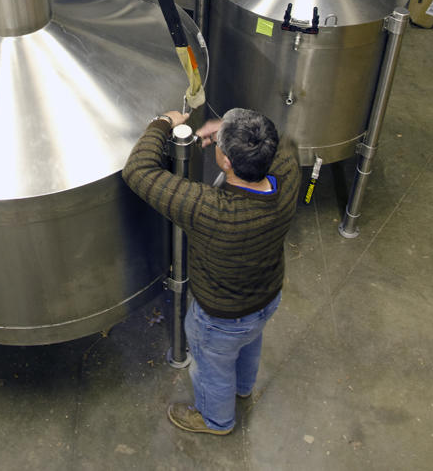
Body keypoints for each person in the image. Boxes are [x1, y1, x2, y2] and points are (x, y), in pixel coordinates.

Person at [122, 107, 300, 436]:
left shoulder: (212, 210)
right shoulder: (287, 176)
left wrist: (162, 124)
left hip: (220, 319)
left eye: (221, 143)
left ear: (227, 163)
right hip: (267, 298)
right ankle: (243, 388)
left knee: (211, 371)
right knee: (249, 342)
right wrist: (239, 131)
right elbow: (285, 142)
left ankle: (215, 420)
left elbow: (138, 171)